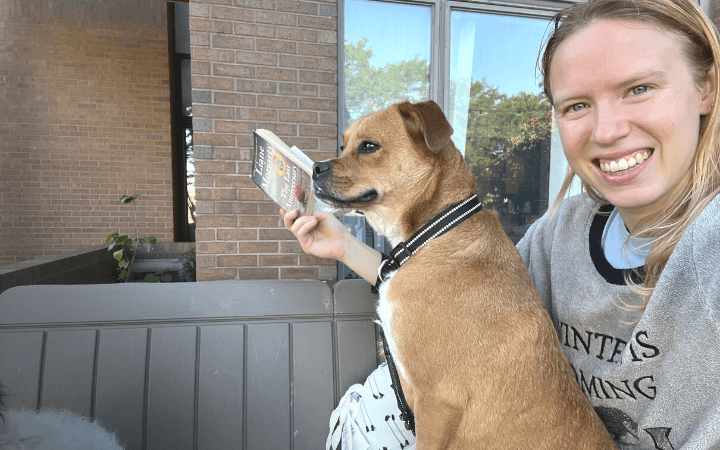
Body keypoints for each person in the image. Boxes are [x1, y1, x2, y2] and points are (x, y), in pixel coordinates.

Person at [281, 0, 720, 447]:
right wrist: (343, 249)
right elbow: (453, 301)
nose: (606, 130)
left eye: (639, 88)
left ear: (706, 86)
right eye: (576, 105)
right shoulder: (561, 232)